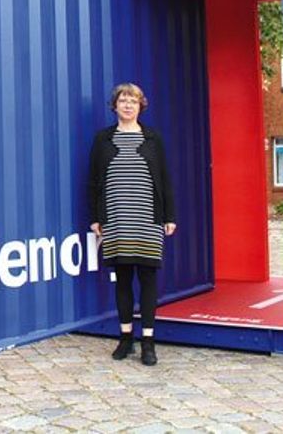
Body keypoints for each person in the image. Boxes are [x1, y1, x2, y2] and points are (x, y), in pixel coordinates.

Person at [87, 83, 176, 365]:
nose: (128, 105)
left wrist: (169, 216)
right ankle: (126, 339)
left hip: (147, 219)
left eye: (133, 101)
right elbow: (93, 182)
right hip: (116, 218)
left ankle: (148, 342)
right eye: (123, 101)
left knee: (148, 280)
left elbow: (164, 179)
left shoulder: (153, 139)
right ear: (115, 106)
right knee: (122, 280)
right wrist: (95, 218)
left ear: (141, 107)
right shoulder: (102, 139)